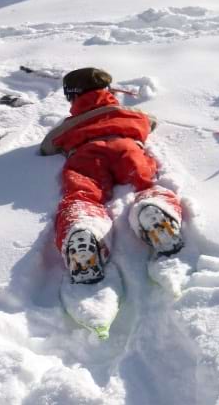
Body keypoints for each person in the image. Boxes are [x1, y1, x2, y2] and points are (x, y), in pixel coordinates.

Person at [41, 67, 184, 284]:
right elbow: (151, 122)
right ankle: (155, 210)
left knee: (82, 193)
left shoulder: (70, 125)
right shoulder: (131, 114)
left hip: (87, 155)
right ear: (108, 90)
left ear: (73, 97)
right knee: (144, 182)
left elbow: (48, 146)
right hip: (127, 148)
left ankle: (84, 227)